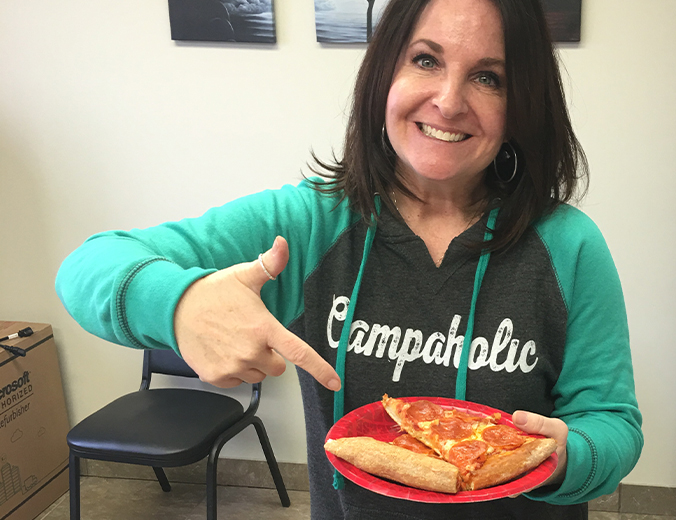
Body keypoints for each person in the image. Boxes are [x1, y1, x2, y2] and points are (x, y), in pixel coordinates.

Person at [55, 0, 643, 518]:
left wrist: (565, 456)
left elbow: (613, 424)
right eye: (426, 59)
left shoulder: (569, 245)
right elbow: (88, 267)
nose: (448, 100)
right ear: (384, 71)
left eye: (488, 77)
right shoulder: (308, 224)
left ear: (522, 106)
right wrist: (180, 305)